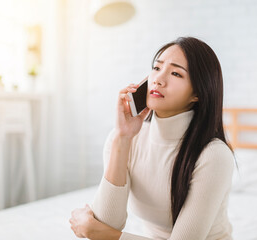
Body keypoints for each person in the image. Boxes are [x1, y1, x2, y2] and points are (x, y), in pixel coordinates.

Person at [70, 36, 235, 240]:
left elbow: (101, 232)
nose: (158, 79)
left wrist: (95, 230)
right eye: (156, 68)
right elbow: (107, 223)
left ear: (197, 94)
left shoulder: (214, 156)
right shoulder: (125, 138)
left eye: (175, 73)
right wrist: (122, 137)